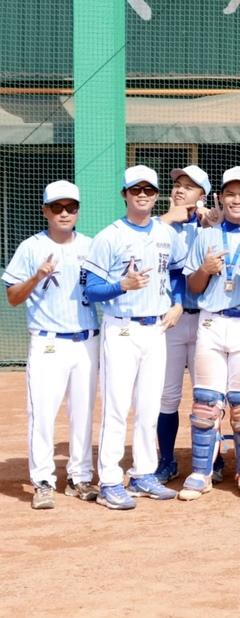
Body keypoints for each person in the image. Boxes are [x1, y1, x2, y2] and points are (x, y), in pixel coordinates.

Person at [83, 165, 186, 509]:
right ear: (124, 195)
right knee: (117, 407)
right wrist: (121, 285)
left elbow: (178, 272)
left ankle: (143, 474)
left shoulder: (166, 233)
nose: (142, 195)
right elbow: (91, 289)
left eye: (149, 190)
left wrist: (178, 302)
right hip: (122, 328)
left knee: (149, 407)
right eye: (135, 189)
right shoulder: (109, 236)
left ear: (157, 195)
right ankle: (110, 481)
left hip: (156, 328)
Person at [3, 181, 100, 509]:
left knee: (83, 413)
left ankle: (80, 477)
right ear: (45, 210)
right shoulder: (31, 247)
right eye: (57, 207)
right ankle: (43, 480)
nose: (64, 213)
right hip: (48, 343)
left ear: (78, 210)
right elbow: (13, 297)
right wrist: (36, 277)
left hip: (86, 341)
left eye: (71, 207)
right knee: (42, 415)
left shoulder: (90, 246)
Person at [177, 166, 240, 501]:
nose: (236, 200)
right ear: (221, 197)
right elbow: (194, 287)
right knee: (205, 402)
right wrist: (205, 269)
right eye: (231, 194)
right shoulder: (206, 236)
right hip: (211, 321)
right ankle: (201, 472)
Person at [154, 165, 212, 484]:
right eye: (177, 184)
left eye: (189, 186)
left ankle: (212, 459)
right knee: (168, 396)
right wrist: (165, 220)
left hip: (204, 320)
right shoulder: (158, 226)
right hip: (170, 321)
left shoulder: (211, 226)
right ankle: (166, 460)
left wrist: (211, 224)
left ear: (202, 195)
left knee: (208, 396)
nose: (179, 190)